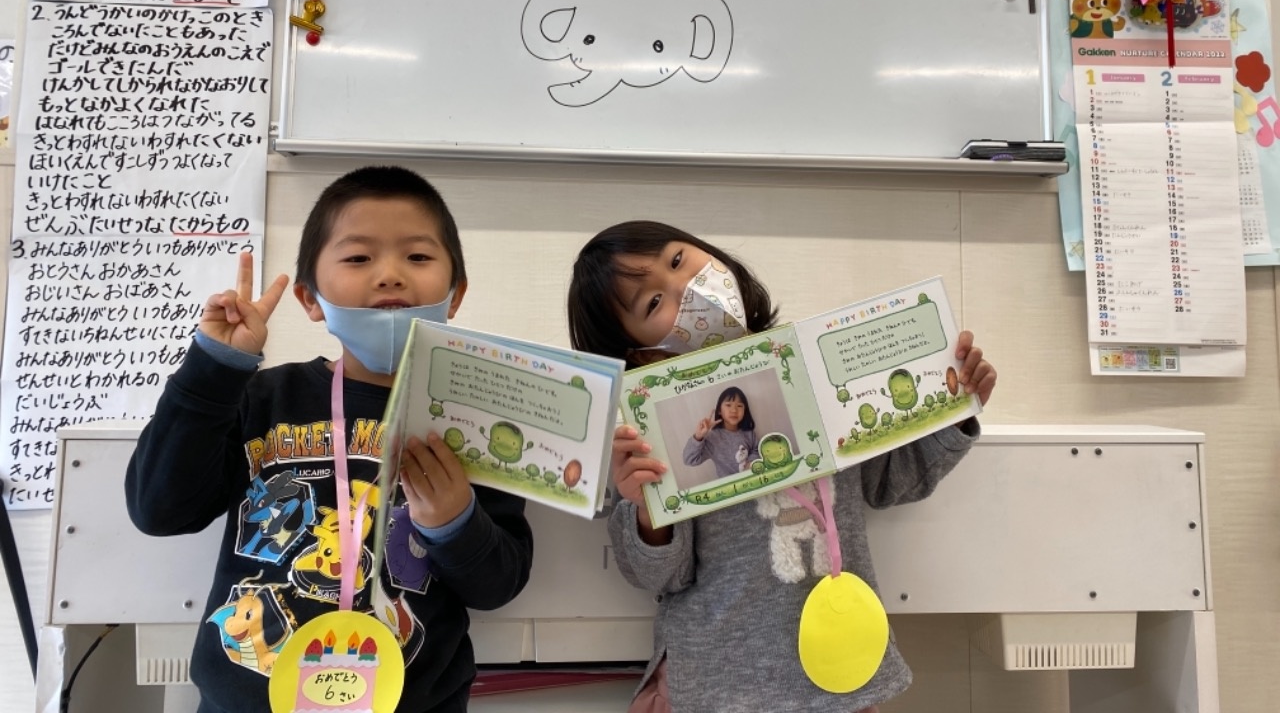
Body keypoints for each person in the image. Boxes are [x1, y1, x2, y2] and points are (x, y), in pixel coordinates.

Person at [126, 166, 533, 713]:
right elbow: (159, 509)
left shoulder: (480, 420)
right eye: (358, 258)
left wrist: (455, 522)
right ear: (310, 298)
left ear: (455, 294)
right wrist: (215, 368)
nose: (390, 275)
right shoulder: (264, 398)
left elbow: (496, 587)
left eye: (417, 257)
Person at [567, 220, 997, 713]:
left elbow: (887, 482)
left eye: (678, 261)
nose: (685, 288)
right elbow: (662, 575)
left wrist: (954, 409)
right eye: (653, 303)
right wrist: (645, 510)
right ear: (637, 352)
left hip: (836, 674)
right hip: (714, 685)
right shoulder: (649, 432)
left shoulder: (812, 367)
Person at [683, 386, 759, 478]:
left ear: (744, 411)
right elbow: (689, 460)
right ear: (719, 410)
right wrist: (698, 437)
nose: (734, 410)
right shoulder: (713, 438)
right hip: (731, 488)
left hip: (754, 479)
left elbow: (757, 449)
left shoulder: (748, 433)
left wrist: (750, 462)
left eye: (739, 406)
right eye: (728, 405)